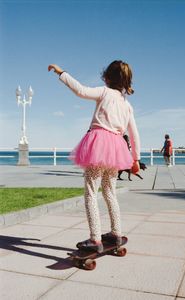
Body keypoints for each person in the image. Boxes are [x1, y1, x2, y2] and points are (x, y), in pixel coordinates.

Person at [48, 60, 141, 253]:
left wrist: (61, 73)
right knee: (109, 192)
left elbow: (81, 90)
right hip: (116, 148)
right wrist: (136, 159)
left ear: (106, 78)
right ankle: (116, 233)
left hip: (98, 146)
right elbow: (134, 133)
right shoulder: (127, 105)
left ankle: (95, 238)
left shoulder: (104, 92)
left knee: (91, 192)